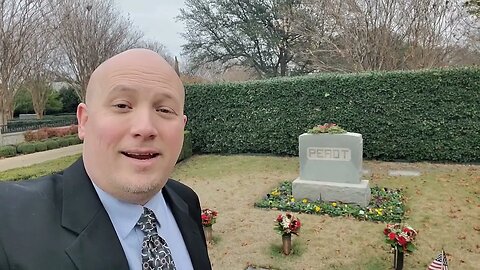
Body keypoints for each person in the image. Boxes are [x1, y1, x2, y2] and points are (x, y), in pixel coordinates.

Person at [0, 49, 212, 270]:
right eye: (122, 106)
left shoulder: (185, 201)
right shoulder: (9, 220)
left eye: (165, 109)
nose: (145, 128)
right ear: (84, 121)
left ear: (182, 126)